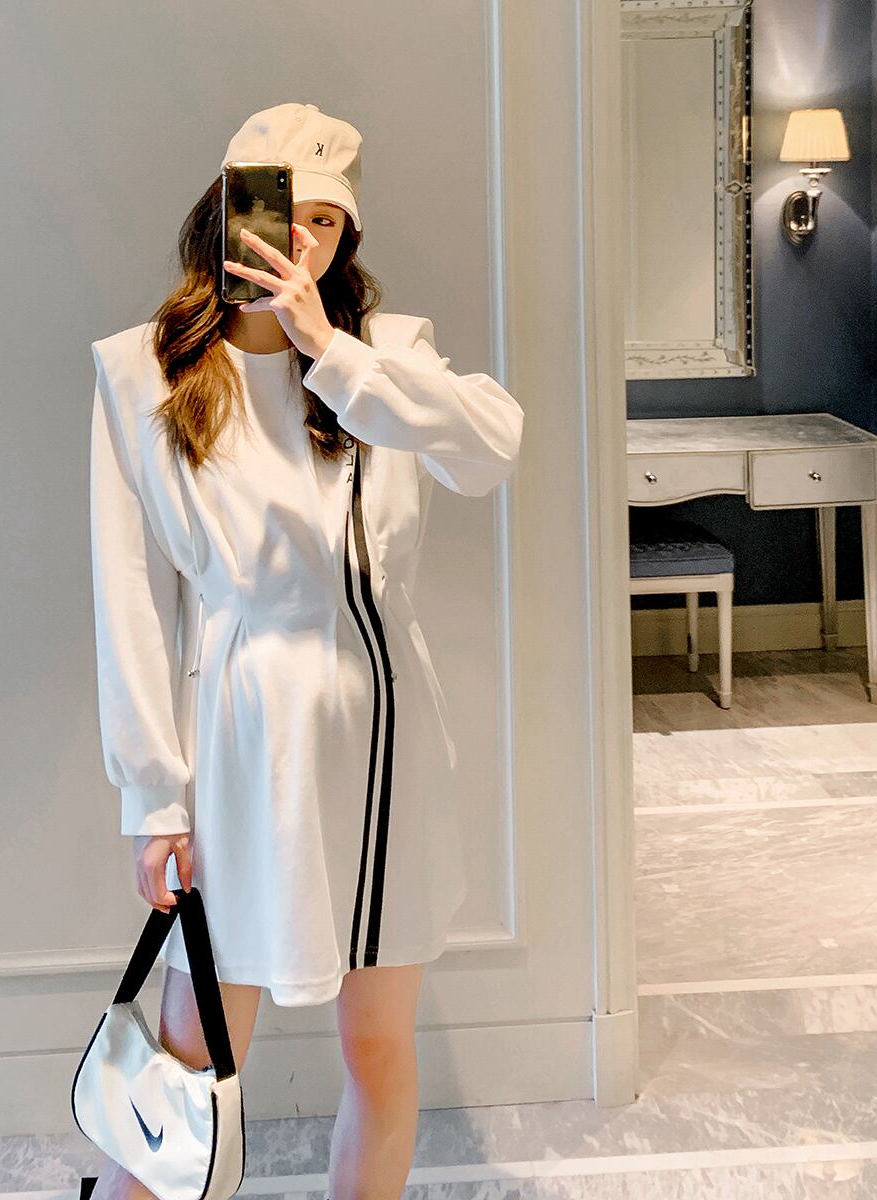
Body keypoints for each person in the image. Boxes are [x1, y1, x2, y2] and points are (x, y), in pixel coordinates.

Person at [86, 102, 525, 1200]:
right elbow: (129, 598)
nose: (304, 240)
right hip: (240, 736)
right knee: (191, 1059)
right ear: (226, 213)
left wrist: (330, 350)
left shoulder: (388, 356)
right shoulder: (143, 374)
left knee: (377, 1046)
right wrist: (153, 797)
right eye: (281, 211)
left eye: (327, 220)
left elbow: (492, 449)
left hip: (384, 738)